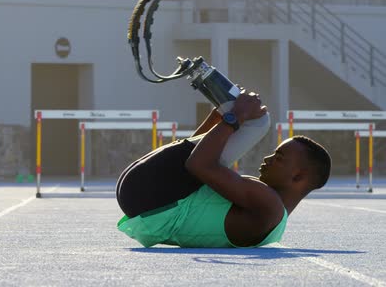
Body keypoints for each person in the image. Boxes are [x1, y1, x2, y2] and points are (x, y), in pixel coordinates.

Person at [116, 89, 332, 248]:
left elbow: (197, 163)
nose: (268, 158)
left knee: (259, 124)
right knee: (237, 129)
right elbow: (194, 161)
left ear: (298, 177)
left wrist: (236, 116)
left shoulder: (268, 204)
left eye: (279, 157)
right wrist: (220, 117)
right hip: (149, 201)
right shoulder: (270, 215)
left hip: (152, 198)